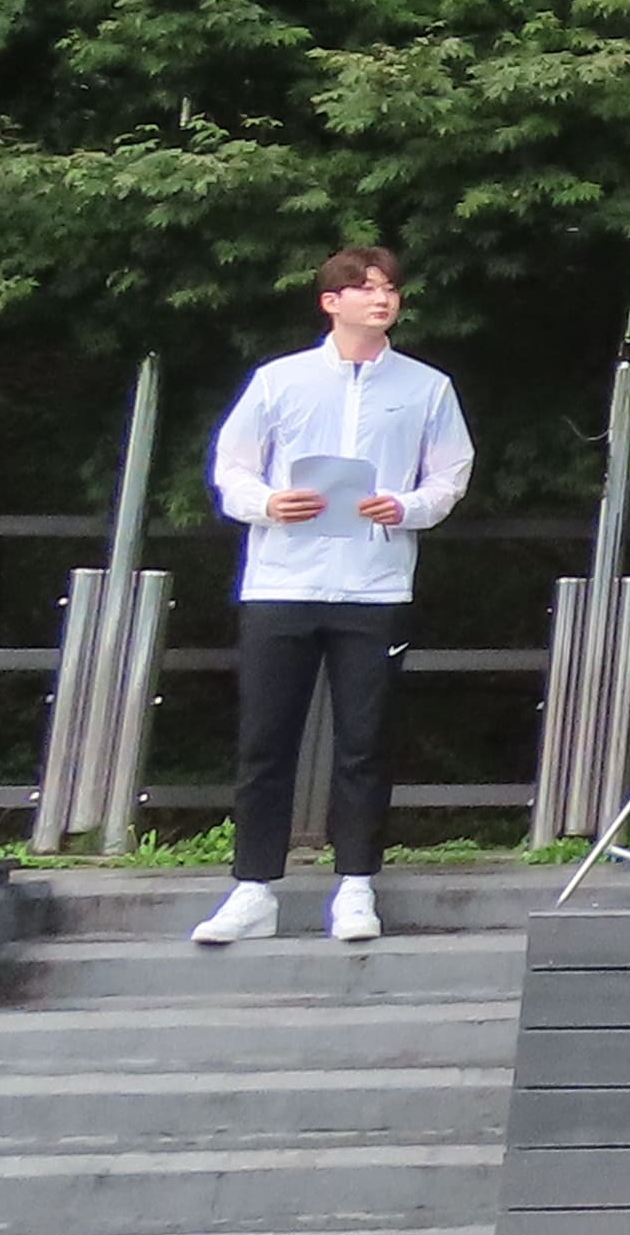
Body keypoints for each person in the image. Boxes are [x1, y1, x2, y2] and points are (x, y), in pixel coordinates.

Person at [194, 245, 474, 948]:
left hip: (374, 587)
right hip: (280, 582)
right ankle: (253, 888)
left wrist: (404, 507)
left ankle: (355, 884)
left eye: (391, 289)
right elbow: (232, 467)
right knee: (265, 740)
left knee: (365, 741)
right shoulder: (279, 380)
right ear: (331, 302)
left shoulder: (427, 387)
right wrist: (267, 502)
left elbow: (449, 476)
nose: (382, 299)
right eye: (366, 288)